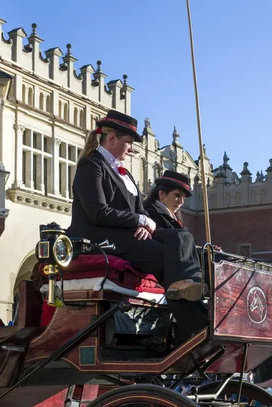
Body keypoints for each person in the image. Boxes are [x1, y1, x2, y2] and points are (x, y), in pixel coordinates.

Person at [66, 110, 209, 342]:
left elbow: (141, 212)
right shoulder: (91, 166)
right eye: (129, 143)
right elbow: (98, 212)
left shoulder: (126, 176)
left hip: (129, 235)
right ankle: (196, 323)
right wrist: (139, 221)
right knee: (165, 256)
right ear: (112, 138)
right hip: (102, 239)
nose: (131, 149)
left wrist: (145, 224)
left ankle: (187, 284)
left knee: (181, 238)